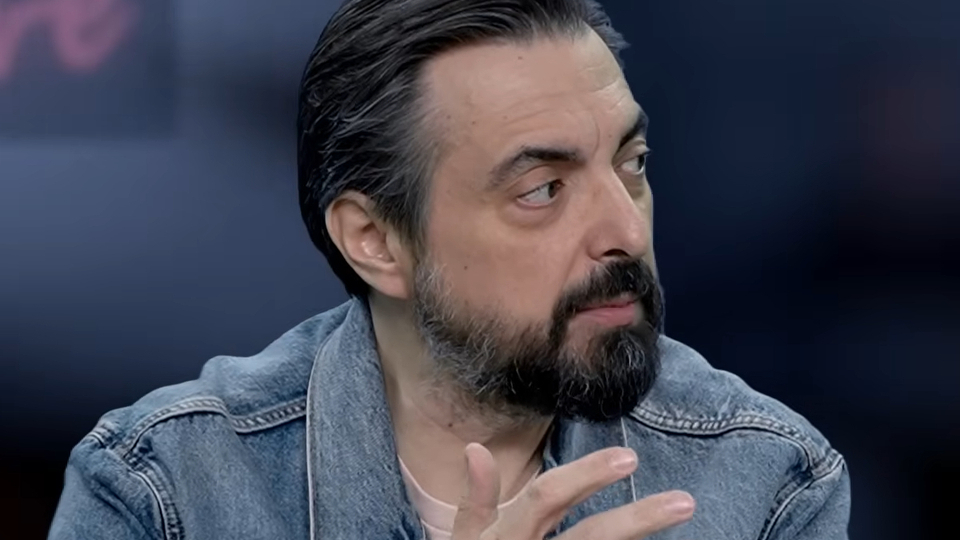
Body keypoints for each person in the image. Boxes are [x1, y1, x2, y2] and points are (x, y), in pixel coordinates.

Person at [48, 1, 851, 539]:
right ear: (375, 241)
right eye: (542, 189)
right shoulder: (163, 487)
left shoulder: (769, 478)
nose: (623, 231)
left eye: (631, 164)